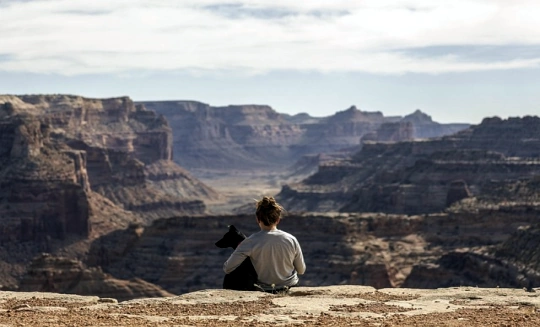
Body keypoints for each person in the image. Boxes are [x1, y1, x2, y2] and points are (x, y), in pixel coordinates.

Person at [223, 196, 306, 292]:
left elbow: (227, 268)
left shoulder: (250, 242)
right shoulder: (291, 239)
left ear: (258, 219)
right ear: (278, 220)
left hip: (264, 290)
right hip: (290, 287)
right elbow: (301, 270)